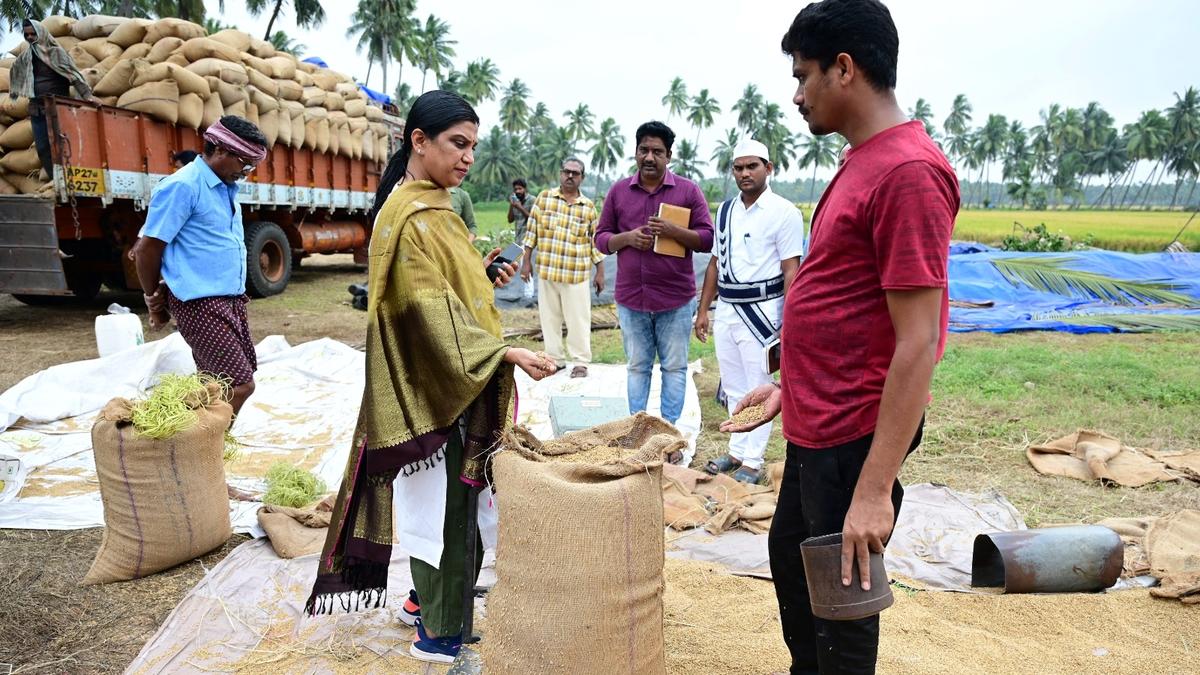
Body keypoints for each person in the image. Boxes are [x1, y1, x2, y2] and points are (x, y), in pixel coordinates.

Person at [721, 2, 959, 673]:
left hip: (856, 428)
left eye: (804, 76)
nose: (797, 95)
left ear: (844, 69)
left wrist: (875, 489)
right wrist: (788, 383)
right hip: (817, 421)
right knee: (792, 560)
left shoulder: (908, 172)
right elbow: (847, 302)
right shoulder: (865, 160)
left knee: (842, 609)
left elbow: (918, 341)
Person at [306, 90, 555, 665]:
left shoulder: (430, 204)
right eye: (457, 144)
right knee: (444, 509)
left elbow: (446, 291)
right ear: (419, 141)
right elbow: (422, 313)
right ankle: (438, 634)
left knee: (443, 503)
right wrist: (501, 355)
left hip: (442, 380)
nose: (467, 157)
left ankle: (422, 601)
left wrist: (484, 275)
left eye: (473, 146)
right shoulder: (414, 213)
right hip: (434, 388)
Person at [133, 116, 270, 416]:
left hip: (229, 300)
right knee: (239, 386)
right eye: (244, 163)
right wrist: (152, 297)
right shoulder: (183, 186)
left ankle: (196, 446)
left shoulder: (225, 188)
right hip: (200, 303)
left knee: (214, 384)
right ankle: (201, 446)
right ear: (221, 150)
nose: (247, 172)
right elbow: (147, 249)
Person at [694, 139, 804, 484]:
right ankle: (737, 450)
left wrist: (790, 320)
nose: (744, 173)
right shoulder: (725, 210)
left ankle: (752, 462)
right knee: (733, 384)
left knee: (759, 386)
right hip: (727, 308)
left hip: (763, 314)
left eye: (752, 166)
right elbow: (714, 262)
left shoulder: (785, 212)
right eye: (738, 168)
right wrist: (703, 310)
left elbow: (792, 270)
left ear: (768, 168)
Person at [594, 121, 713, 425]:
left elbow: (707, 239)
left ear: (669, 155)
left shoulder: (688, 191)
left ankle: (668, 430)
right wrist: (628, 238)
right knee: (637, 367)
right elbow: (602, 239)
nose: (649, 157)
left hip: (675, 300)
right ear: (635, 152)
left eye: (657, 151)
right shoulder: (619, 191)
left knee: (674, 367)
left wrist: (674, 230)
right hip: (631, 300)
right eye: (644, 150)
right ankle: (638, 427)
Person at [520, 157, 605, 377]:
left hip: (575, 275)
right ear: (560, 173)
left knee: (578, 320)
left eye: (575, 173)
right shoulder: (545, 199)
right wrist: (526, 262)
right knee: (549, 319)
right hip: (548, 271)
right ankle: (555, 360)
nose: (570, 176)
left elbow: (594, 242)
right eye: (566, 172)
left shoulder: (587, 207)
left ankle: (580, 362)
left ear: (582, 178)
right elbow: (531, 233)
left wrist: (600, 272)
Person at [9, 19, 100, 178]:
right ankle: (55, 180)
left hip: (59, 108)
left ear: (41, 33)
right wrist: (14, 94)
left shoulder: (56, 53)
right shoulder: (25, 58)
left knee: (64, 146)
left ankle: (69, 179)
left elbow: (73, 75)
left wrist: (87, 95)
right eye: (27, 34)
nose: (30, 37)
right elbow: (17, 75)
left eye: (33, 33)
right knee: (43, 147)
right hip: (37, 109)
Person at [508, 178, 537, 304]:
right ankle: (527, 293)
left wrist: (519, 207)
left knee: (526, 265)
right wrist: (512, 205)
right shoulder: (515, 201)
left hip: (529, 239)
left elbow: (533, 219)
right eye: (515, 189)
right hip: (519, 238)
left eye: (520, 188)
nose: (518, 191)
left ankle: (529, 295)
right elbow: (510, 220)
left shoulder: (532, 200)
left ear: (525, 189)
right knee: (522, 266)